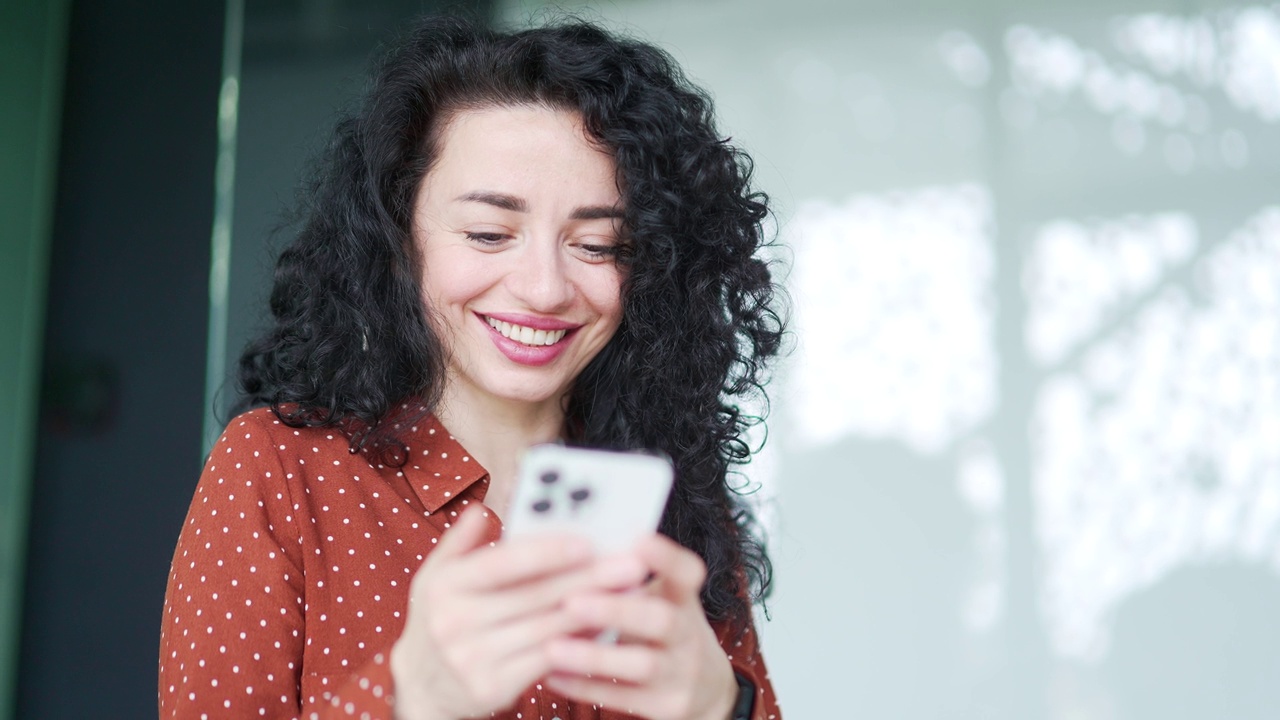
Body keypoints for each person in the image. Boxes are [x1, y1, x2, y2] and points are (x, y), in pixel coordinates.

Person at [159, 15, 784, 720]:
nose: (544, 288)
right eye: (490, 234)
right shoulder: (278, 470)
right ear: (399, 241)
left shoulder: (673, 503)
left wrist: (720, 707)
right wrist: (408, 701)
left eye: (599, 245)